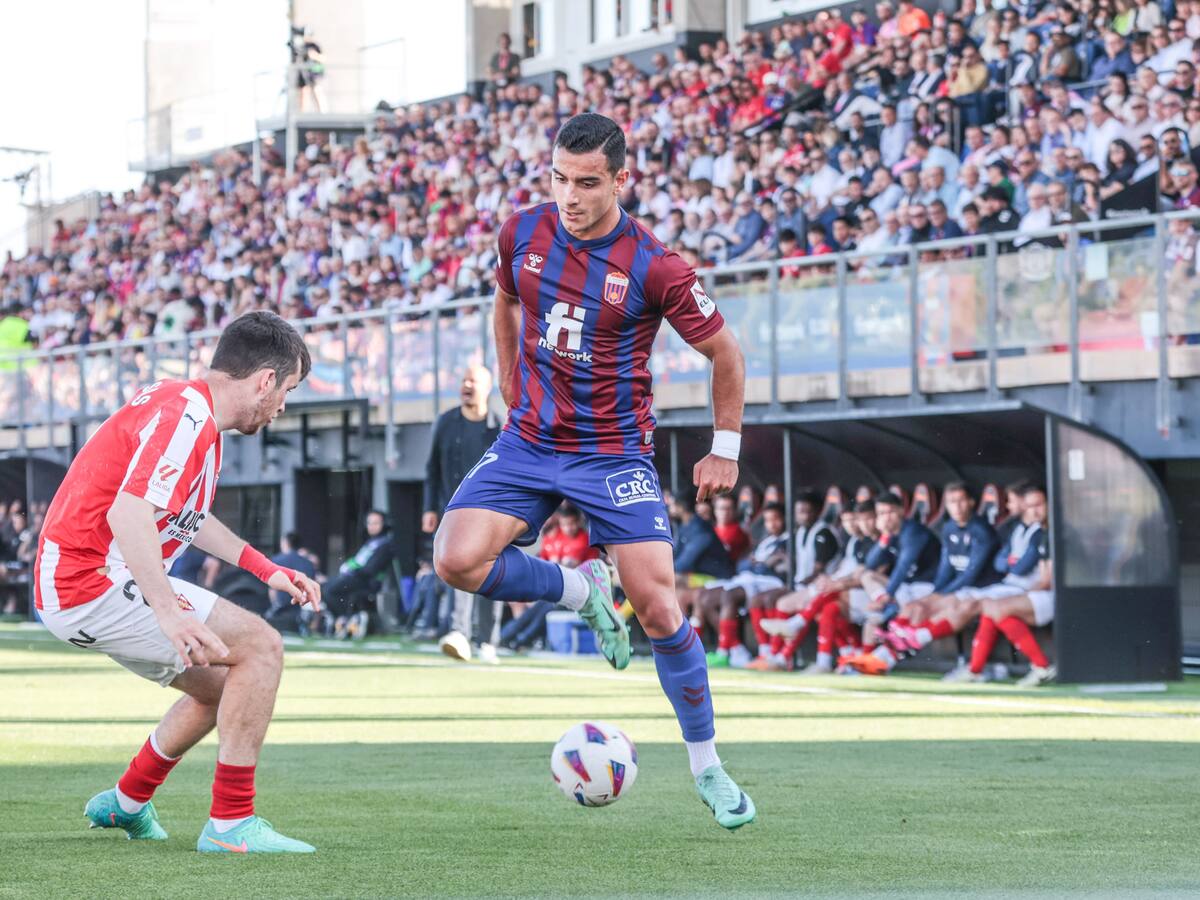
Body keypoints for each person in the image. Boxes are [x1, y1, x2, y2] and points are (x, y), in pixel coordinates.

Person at [432, 114, 755, 829]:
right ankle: (580, 589)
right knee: (454, 560)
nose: (569, 196)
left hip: (612, 452)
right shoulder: (522, 232)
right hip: (529, 438)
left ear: (620, 180)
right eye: (559, 179)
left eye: (586, 183)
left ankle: (708, 767)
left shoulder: (655, 265)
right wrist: (511, 378)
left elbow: (726, 354)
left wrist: (725, 448)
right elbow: (505, 300)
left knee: (660, 608)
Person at [34, 312, 322, 853]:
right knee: (262, 647)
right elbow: (128, 513)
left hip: (80, 584)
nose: (283, 406)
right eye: (288, 390)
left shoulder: (188, 410)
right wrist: (169, 611)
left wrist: (266, 568)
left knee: (230, 688)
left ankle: (126, 801)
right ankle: (231, 824)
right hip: (89, 580)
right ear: (265, 381)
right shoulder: (187, 418)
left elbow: (185, 517)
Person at [423, 365, 503, 663]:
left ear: (488, 387)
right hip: (453, 510)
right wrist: (429, 508)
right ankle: (459, 633)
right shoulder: (445, 422)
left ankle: (488, 641)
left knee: (492, 573)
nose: (466, 385)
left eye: (473, 380)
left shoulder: (499, 425)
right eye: (463, 380)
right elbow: (432, 468)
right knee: (458, 569)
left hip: (492, 513)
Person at [323, 510, 397, 639]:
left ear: (384, 524)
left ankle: (346, 619)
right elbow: (358, 562)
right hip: (356, 578)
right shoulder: (371, 542)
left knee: (330, 590)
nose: (371, 526)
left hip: (367, 581)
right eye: (369, 523)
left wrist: (351, 571)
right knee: (325, 587)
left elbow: (371, 569)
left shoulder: (385, 544)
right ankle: (345, 620)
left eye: (376, 523)